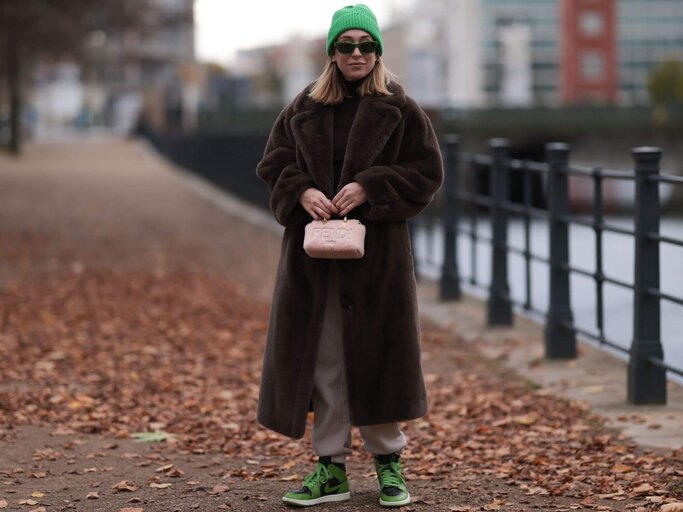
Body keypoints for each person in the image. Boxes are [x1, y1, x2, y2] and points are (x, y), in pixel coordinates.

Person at [255, 4, 443, 508]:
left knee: (381, 355)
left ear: (377, 51)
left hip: (378, 259)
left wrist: (370, 187)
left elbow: (427, 172)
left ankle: (389, 465)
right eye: (346, 45)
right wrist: (301, 192)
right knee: (325, 360)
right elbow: (274, 164)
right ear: (332, 53)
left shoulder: (401, 109)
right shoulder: (303, 108)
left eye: (365, 44)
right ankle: (330, 469)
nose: (356, 53)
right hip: (312, 261)